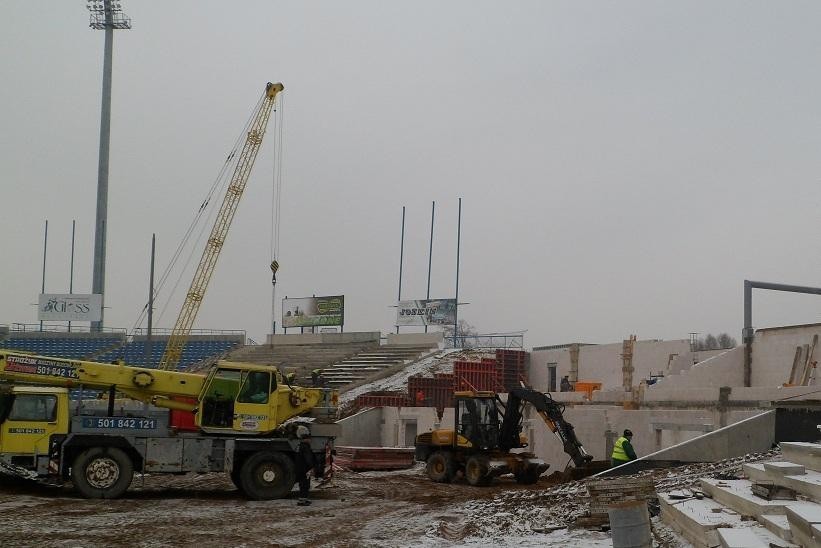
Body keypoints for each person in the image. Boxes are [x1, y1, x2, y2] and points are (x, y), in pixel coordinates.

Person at [294, 425, 317, 506]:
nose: (310, 440)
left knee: (302, 484)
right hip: (305, 469)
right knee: (305, 485)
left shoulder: (299, 446)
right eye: (309, 439)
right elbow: (308, 459)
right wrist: (311, 467)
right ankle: (302, 501)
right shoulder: (306, 447)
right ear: (306, 439)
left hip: (300, 468)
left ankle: (303, 500)